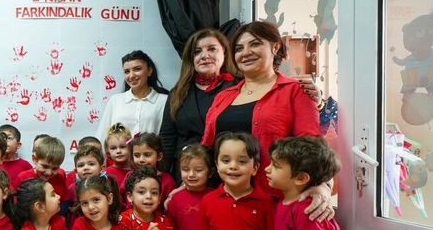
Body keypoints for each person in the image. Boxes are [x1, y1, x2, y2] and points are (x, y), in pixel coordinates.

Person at [201, 21, 320, 197]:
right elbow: (206, 148)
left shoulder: (296, 91)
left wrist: (320, 186)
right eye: (239, 48)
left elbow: (311, 149)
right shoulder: (223, 97)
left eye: (255, 44)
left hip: (273, 199)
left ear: (275, 47)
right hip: (223, 199)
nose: (246, 53)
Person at [159, 29, 237, 179]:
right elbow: (167, 137)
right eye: (197, 51)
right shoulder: (177, 92)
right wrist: (163, 177)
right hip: (186, 173)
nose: (204, 56)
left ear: (225, 53)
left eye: (212, 49)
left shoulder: (239, 88)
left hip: (225, 173)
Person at [95, 50, 169, 139]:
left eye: (137, 69)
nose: (131, 76)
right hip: (119, 153)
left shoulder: (164, 101)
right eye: (127, 71)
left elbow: (169, 137)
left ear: (149, 70)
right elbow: (102, 136)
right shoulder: (115, 100)